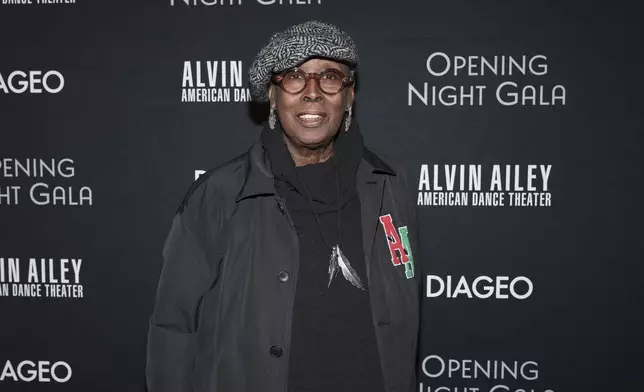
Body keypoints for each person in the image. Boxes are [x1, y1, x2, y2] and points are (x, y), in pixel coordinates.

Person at [145, 20, 421, 392]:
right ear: (272, 97)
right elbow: (174, 328)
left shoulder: (391, 183)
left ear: (349, 95)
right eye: (293, 77)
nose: (312, 93)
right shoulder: (221, 194)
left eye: (329, 76)